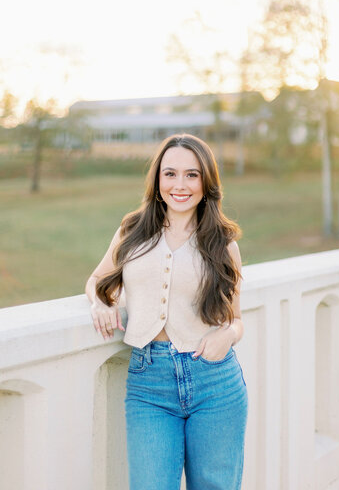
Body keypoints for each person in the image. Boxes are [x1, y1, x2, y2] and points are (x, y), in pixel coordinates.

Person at [85, 133, 248, 490]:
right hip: (149, 383)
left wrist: (228, 336)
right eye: (170, 173)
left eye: (192, 175)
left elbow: (235, 319)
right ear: (158, 180)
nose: (180, 185)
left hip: (215, 381)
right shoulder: (132, 231)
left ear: (207, 182)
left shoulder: (224, 244)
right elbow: (97, 279)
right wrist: (100, 302)